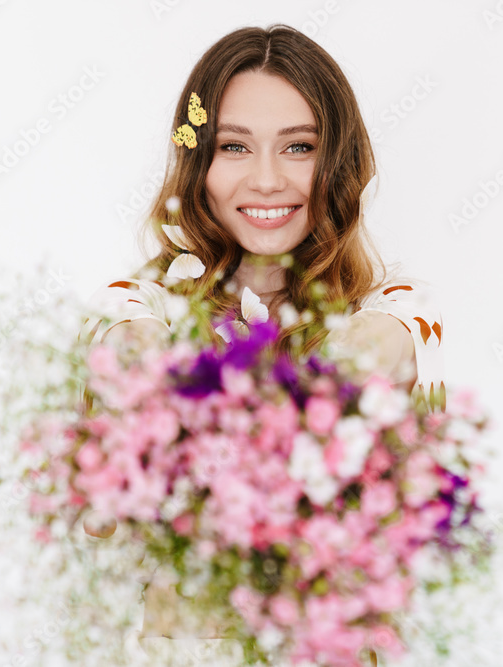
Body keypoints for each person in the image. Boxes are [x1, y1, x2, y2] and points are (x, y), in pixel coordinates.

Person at [76, 23, 446, 657]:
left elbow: (392, 344)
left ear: (338, 162)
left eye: (299, 146)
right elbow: (124, 343)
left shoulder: (394, 319)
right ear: (198, 162)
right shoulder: (138, 310)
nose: (268, 180)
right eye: (235, 147)